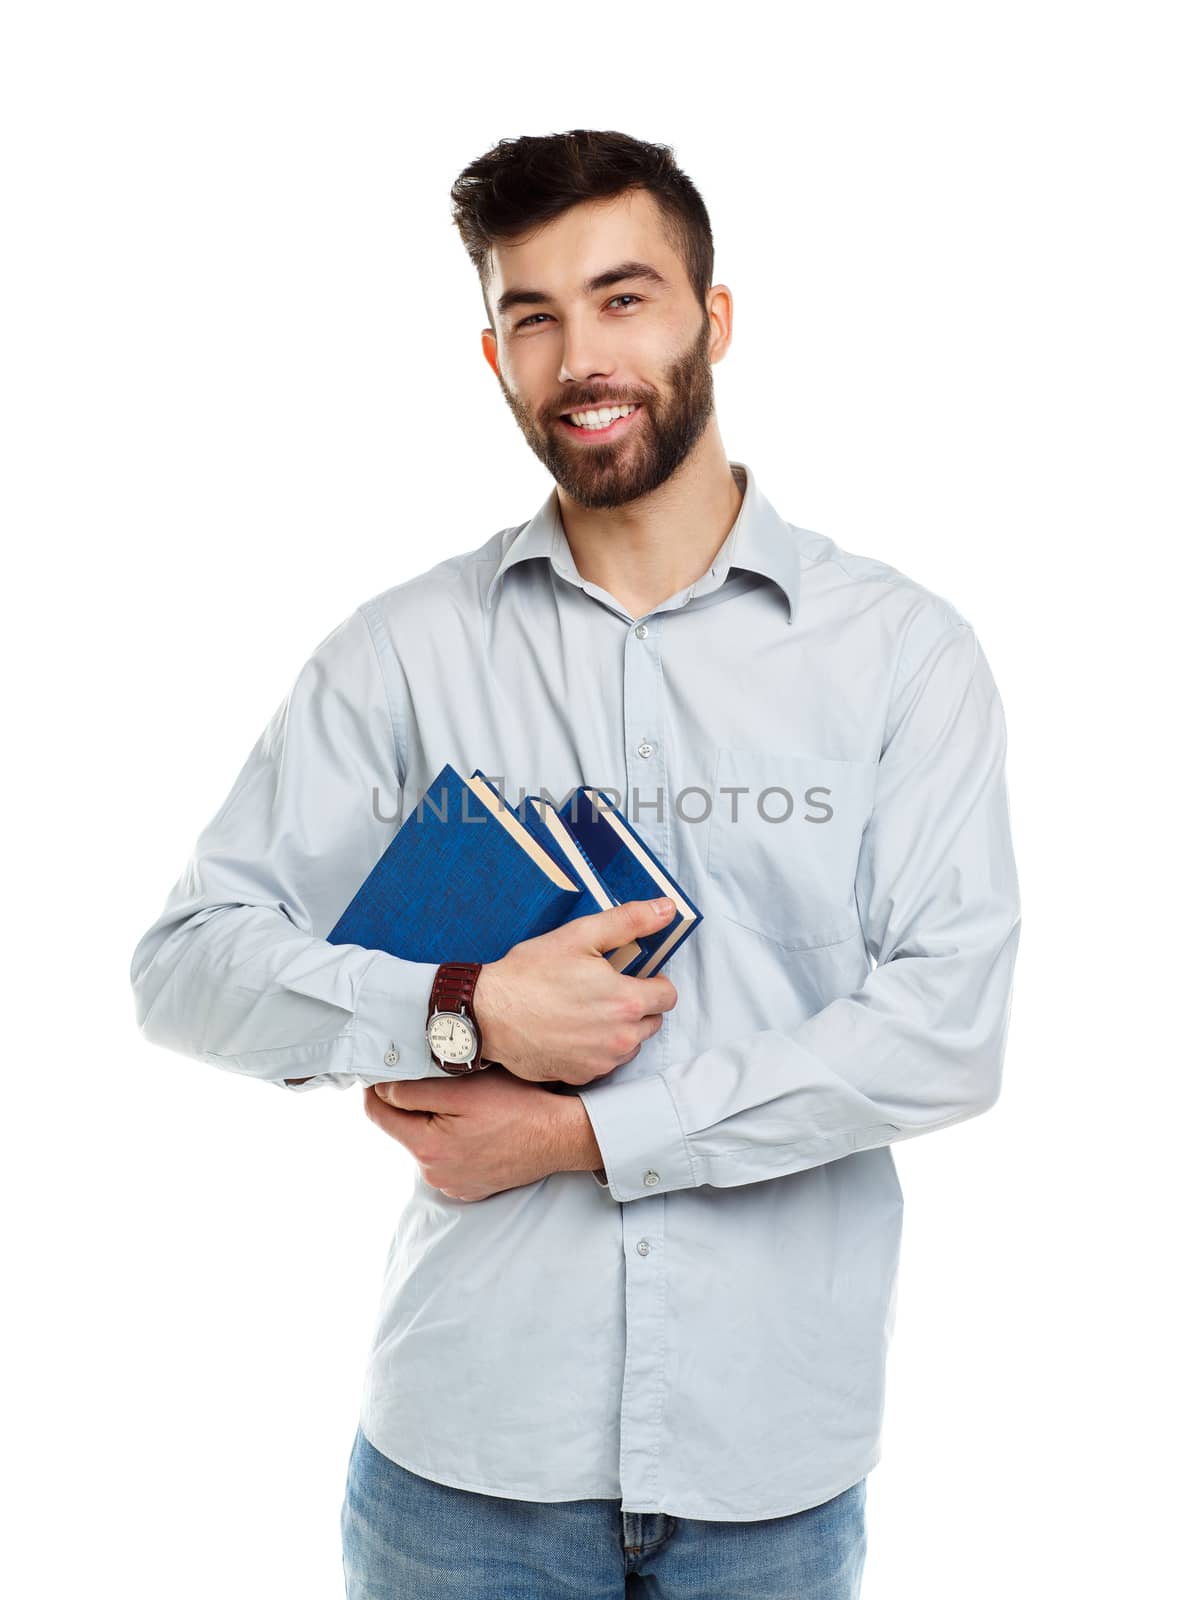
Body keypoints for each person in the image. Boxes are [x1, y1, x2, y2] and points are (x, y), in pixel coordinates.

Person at [129, 128, 1021, 1599]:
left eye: (622, 298)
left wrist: (576, 1137)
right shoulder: (403, 652)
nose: (578, 356)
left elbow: (942, 1037)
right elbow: (185, 969)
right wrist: (464, 1004)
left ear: (711, 321)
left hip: (771, 1476)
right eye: (531, 316)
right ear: (491, 356)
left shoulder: (899, 657)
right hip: (462, 1472)